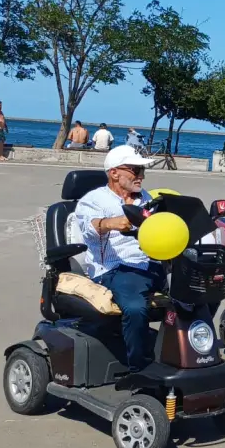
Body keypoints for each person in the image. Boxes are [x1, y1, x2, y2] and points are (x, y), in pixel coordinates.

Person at [74, 145, 158, 371]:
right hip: (114, 268)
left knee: (198, 290)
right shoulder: (94, 200)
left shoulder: (146, 198)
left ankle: (182, 352)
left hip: (149, 263)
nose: (141, 176)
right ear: (114, 173)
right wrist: (111, 223)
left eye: (142, 171)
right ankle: (139, 368)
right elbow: (89, 228)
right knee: (135, 307)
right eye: (135, 170)